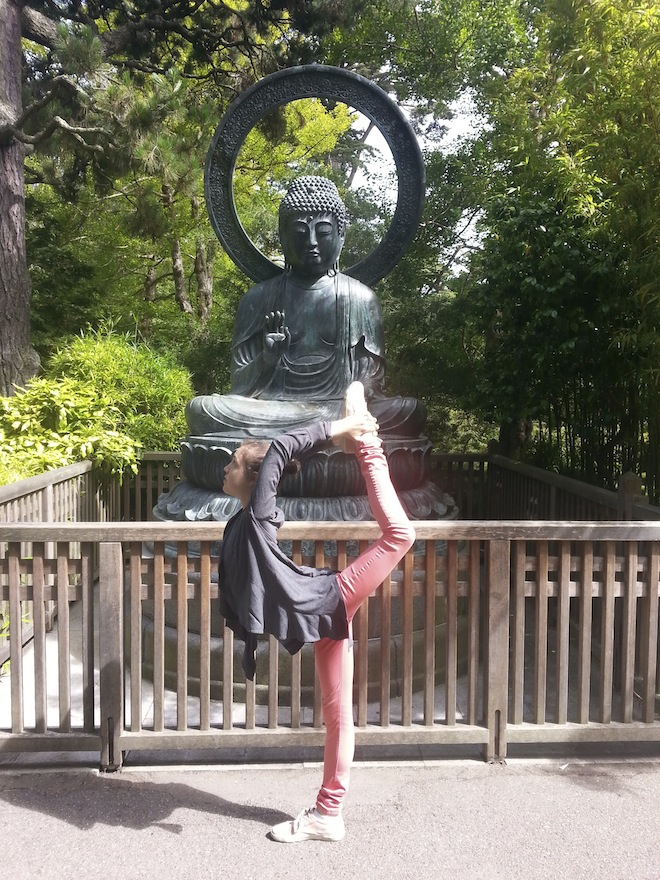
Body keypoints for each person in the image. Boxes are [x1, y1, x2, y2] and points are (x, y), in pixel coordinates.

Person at [218, 381, 415, 842]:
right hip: (321, 618)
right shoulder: (243, 521)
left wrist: (342, 427)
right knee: (338, 715)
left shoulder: (259, 514)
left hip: (329, 597)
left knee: (400, 535)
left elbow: (281, 448)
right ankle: (328, 814)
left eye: (232, 462)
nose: (224, 467)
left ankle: (365, 439)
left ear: (254, 477)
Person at [185, 175, 425, 439]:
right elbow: (239, 386)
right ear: (283, 237)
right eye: (300, 233)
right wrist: (267, 358)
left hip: (339, 409)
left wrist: (358, 394)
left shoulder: (361, 298)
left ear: (341, 235)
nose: (311, 242)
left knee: (408, 411)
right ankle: (317, 436)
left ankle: (296, 439)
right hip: (273, 410)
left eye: (323, 233)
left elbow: (372, 383)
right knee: (203, 409)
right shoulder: (258, 298)